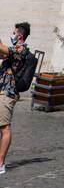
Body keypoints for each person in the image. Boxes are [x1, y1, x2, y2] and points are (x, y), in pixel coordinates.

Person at [0, 22, 31, 175]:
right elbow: (2, 52)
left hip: (8, 93)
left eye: (14, 33)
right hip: (2, 90)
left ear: (19, 35)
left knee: (4, 128)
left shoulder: (21, 49)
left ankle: (0, 164)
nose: (12, 35)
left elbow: (3, 49)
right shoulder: (13, 51)